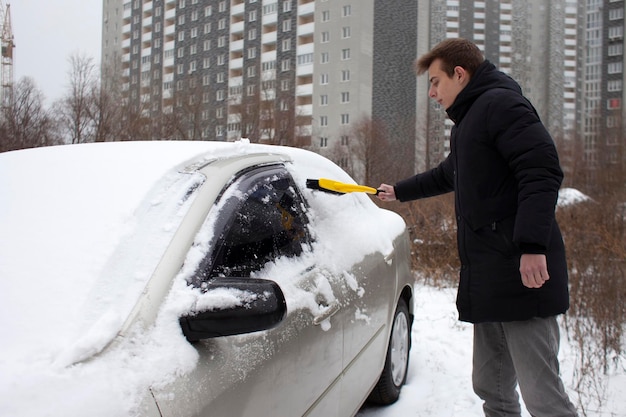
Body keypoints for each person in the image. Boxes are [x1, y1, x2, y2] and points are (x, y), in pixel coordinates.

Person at [377, 38, 578, 417]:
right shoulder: (471, 121)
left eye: (436, 82)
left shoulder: (501, 105)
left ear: (460, 73)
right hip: (491, 274)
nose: (433, 93)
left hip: (522, 273)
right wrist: (398, 191)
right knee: (492, 387)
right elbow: (449, 173)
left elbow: (542, 170)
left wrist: (533, 246)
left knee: (543, 396)